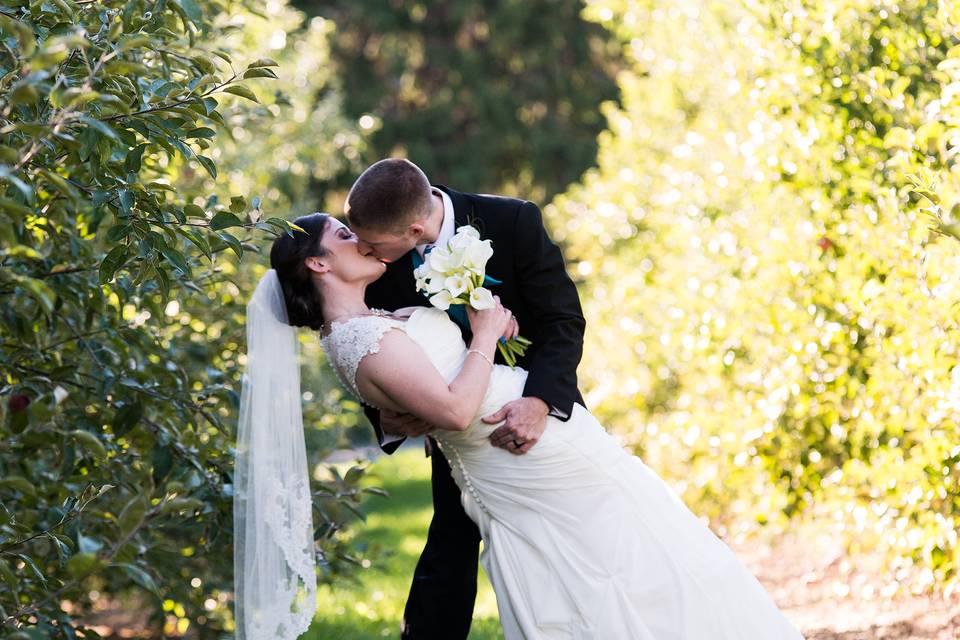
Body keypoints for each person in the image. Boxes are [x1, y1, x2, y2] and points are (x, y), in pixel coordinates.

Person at [237, 209, 805, 638]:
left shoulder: (377, 315)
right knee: (620, 564)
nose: (359, 240)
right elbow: (453, 408)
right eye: (342, 236)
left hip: (542, 442)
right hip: (511, 458)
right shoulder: (362, 331)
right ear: (317, 264)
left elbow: (530, 335)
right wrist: (483, 335)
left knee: (627, 558)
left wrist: (495, 353)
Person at [344, 158, 586, 638]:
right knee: (448, 556)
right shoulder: (379, 261)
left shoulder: (513, 220)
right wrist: (392, 416)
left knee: (576, 544)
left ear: (415, 228)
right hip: (457, 433)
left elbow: (563, 321)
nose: (366, 252)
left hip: (540, 418)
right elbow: (370, 347)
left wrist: (538, 402)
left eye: (373, 244)